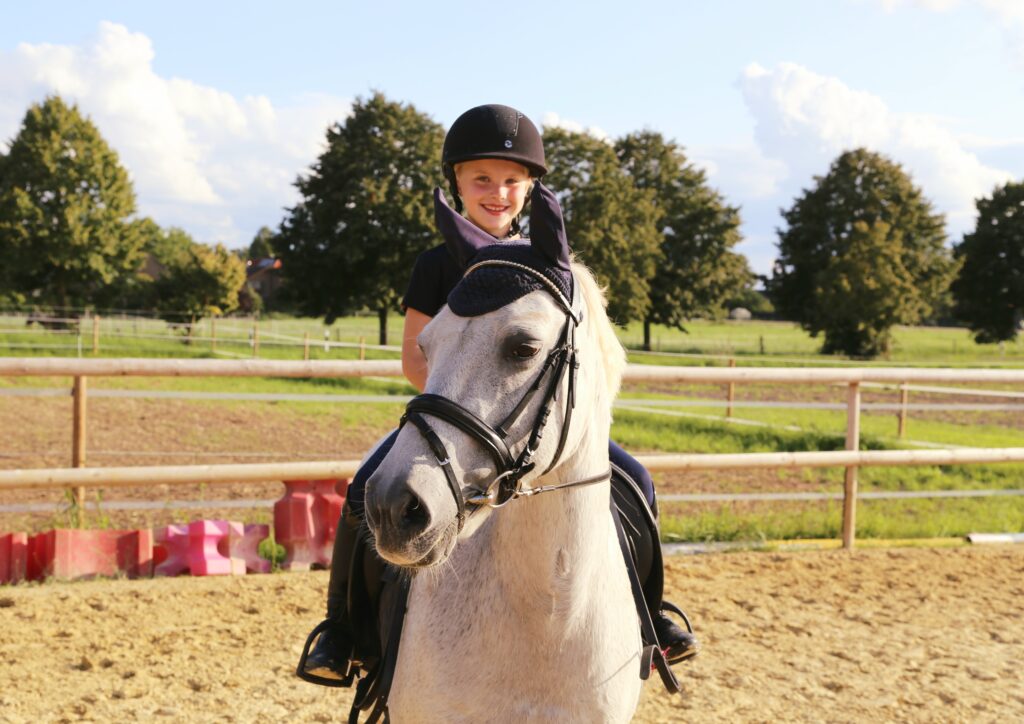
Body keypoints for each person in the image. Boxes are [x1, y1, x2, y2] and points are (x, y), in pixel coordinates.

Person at [299, 104, 698, 684]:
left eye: (512, 180)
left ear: (530, 187)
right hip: (452, 421)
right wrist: (459, 400)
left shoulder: (548, 267)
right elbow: (416, 356)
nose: (497, 192)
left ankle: (652, 618)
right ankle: (343, 632)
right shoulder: (437, 264)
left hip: (534, 425)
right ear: (456, 182)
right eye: (481, 178)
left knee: (635, 479)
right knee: (365, 484)